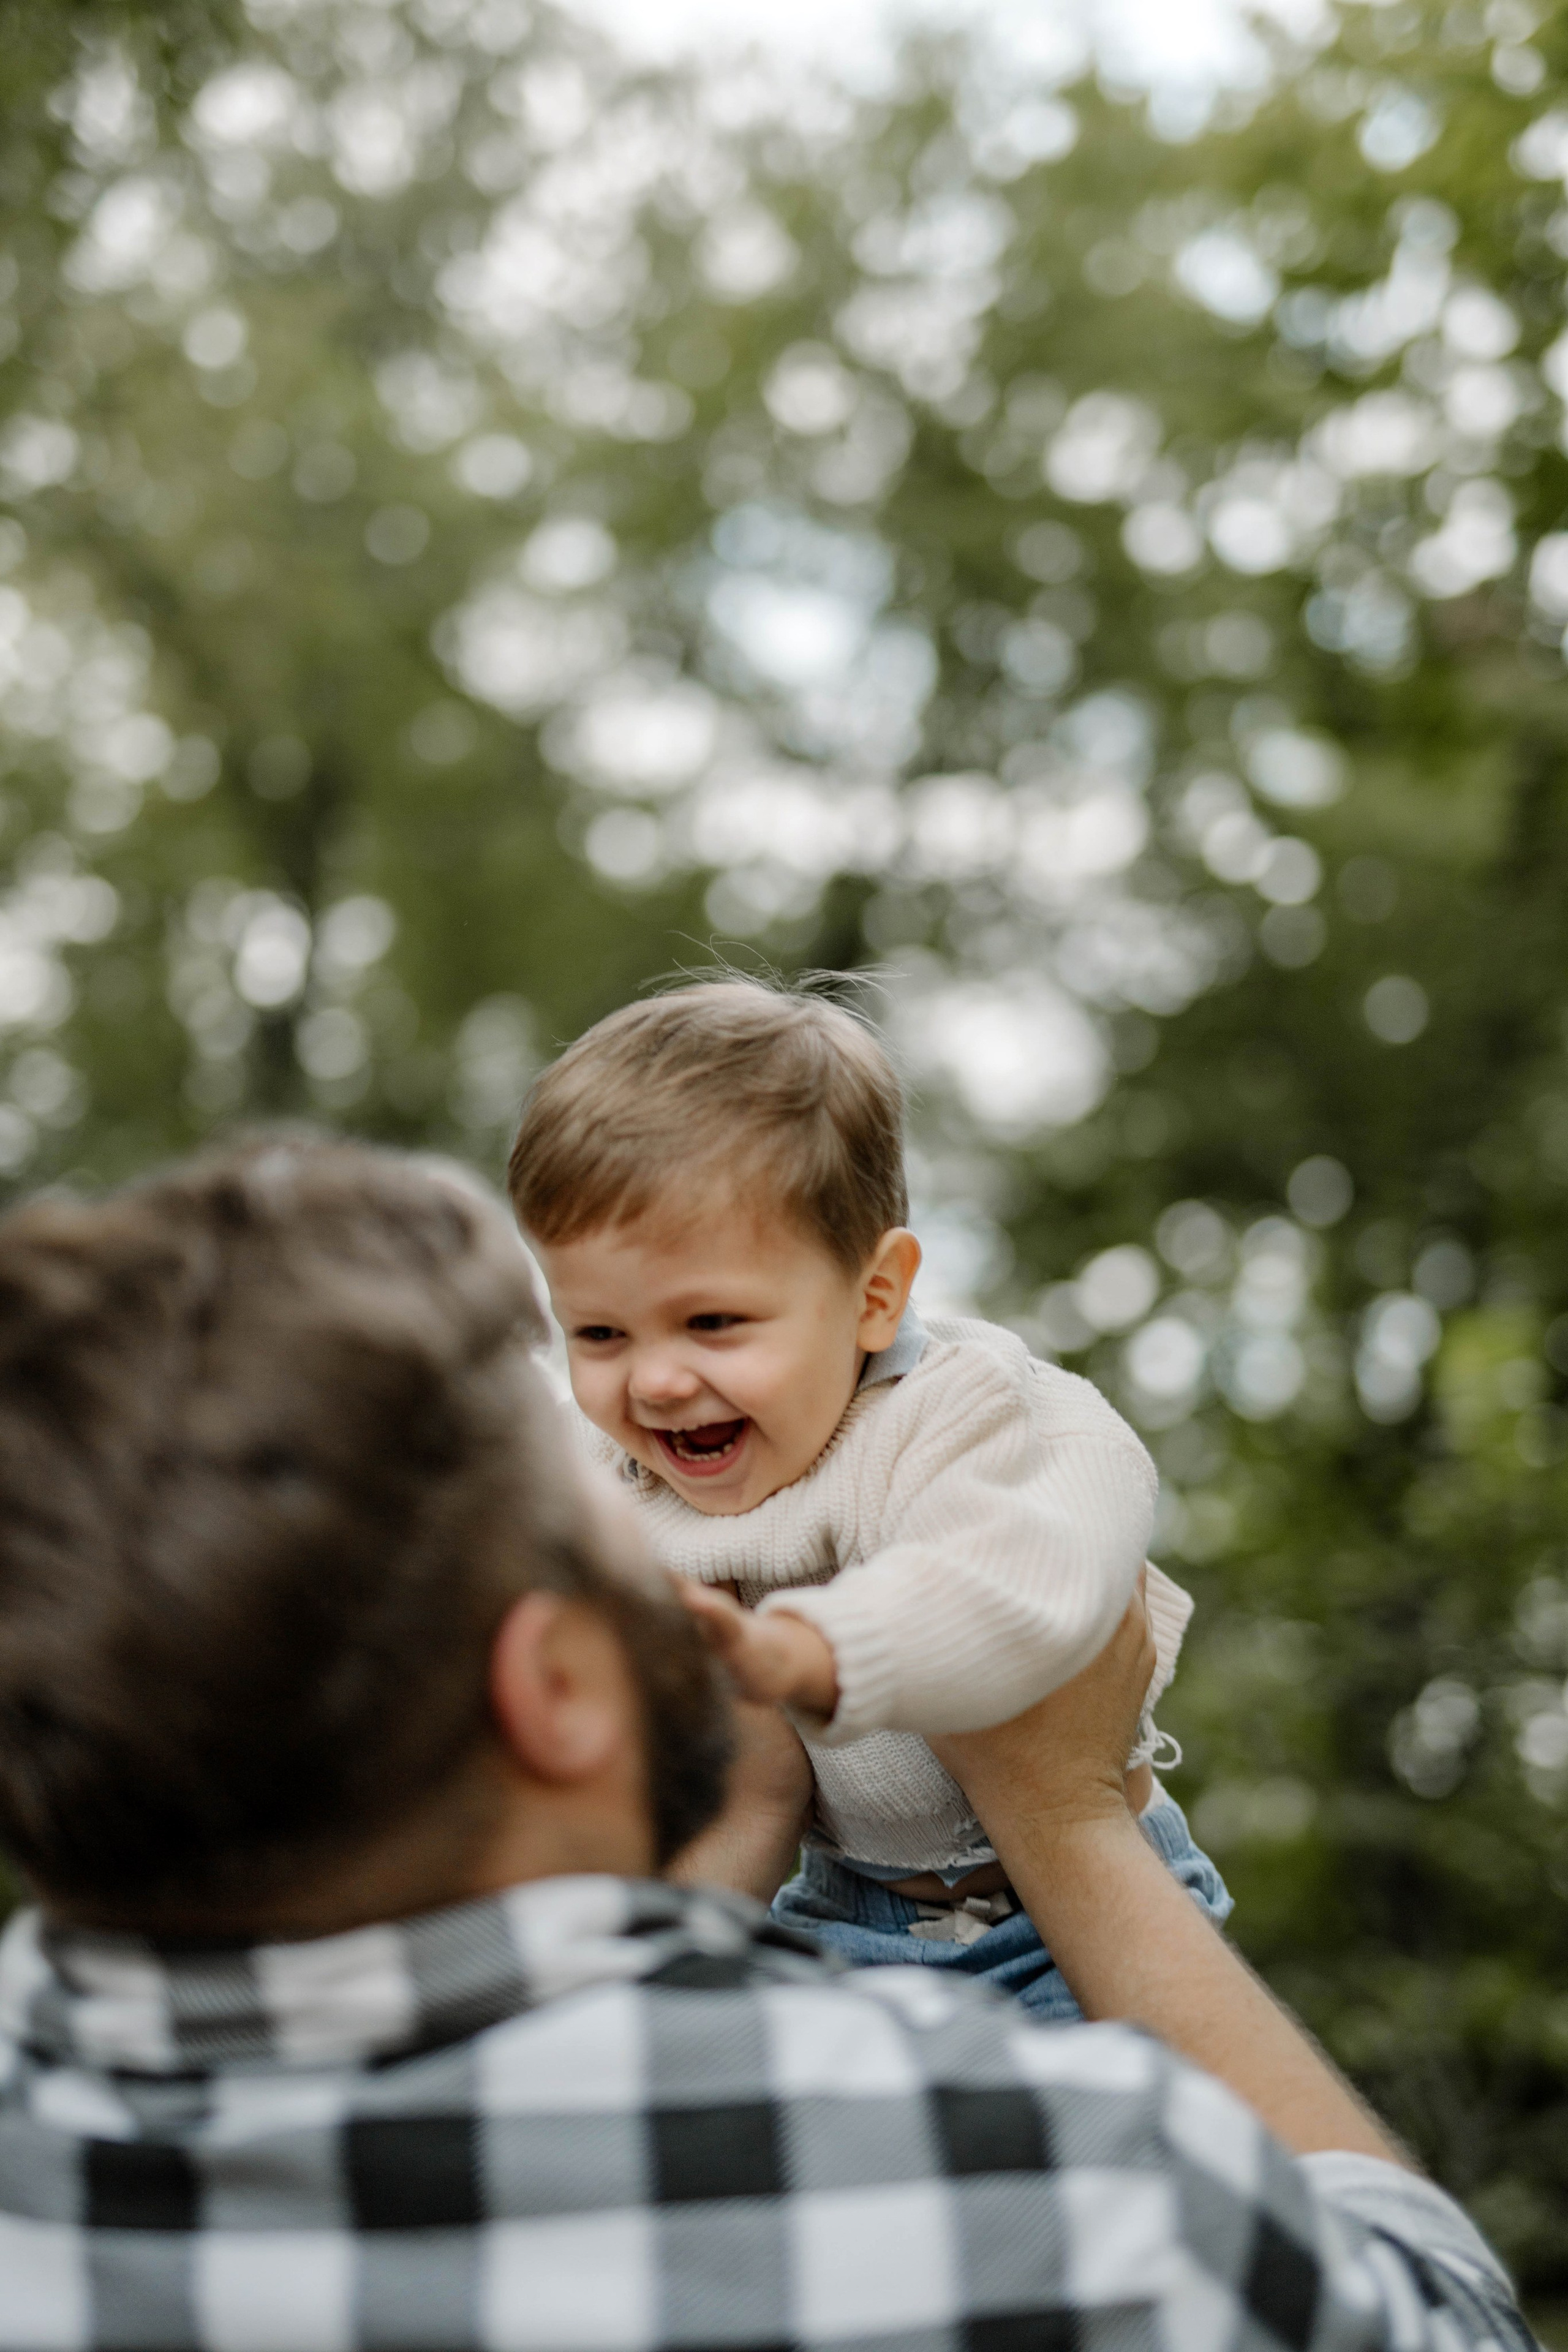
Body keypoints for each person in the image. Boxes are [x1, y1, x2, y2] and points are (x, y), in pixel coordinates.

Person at [0, 1136, 1533, 2352]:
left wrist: (732, 1847)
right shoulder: (1038, 2182)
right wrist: (1066, 1823)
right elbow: (1441, 2322)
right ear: (557, 1689)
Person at [508, 978, 1228, 2012]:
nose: (655, 1381)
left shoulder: (972, 1414)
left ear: (874, 1295)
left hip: (1059, 1923)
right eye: (601, 1335)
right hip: (846, 1911)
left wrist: (812, 1651)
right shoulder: (615, 1467)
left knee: (1119, 2152)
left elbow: (1023, 1580)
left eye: (713, 1323)